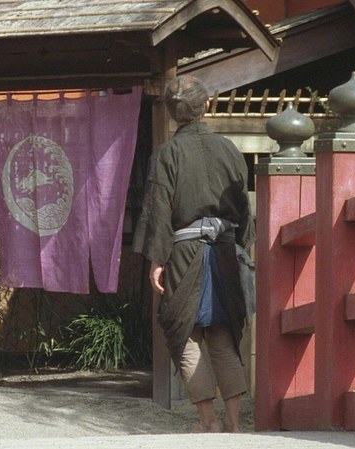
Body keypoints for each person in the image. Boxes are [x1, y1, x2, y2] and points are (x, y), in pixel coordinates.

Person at [132, 75, 255, 433]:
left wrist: (157, 260)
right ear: (207, 105)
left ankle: (208, 422)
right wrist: (239, 247)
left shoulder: (166, 154)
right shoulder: (229, 149)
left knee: (183, 333)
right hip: (224, 251)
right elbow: (243, 208)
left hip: (184, 253)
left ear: (172, 113)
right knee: (223, 334)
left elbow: (159, 209)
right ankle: (233, 423)